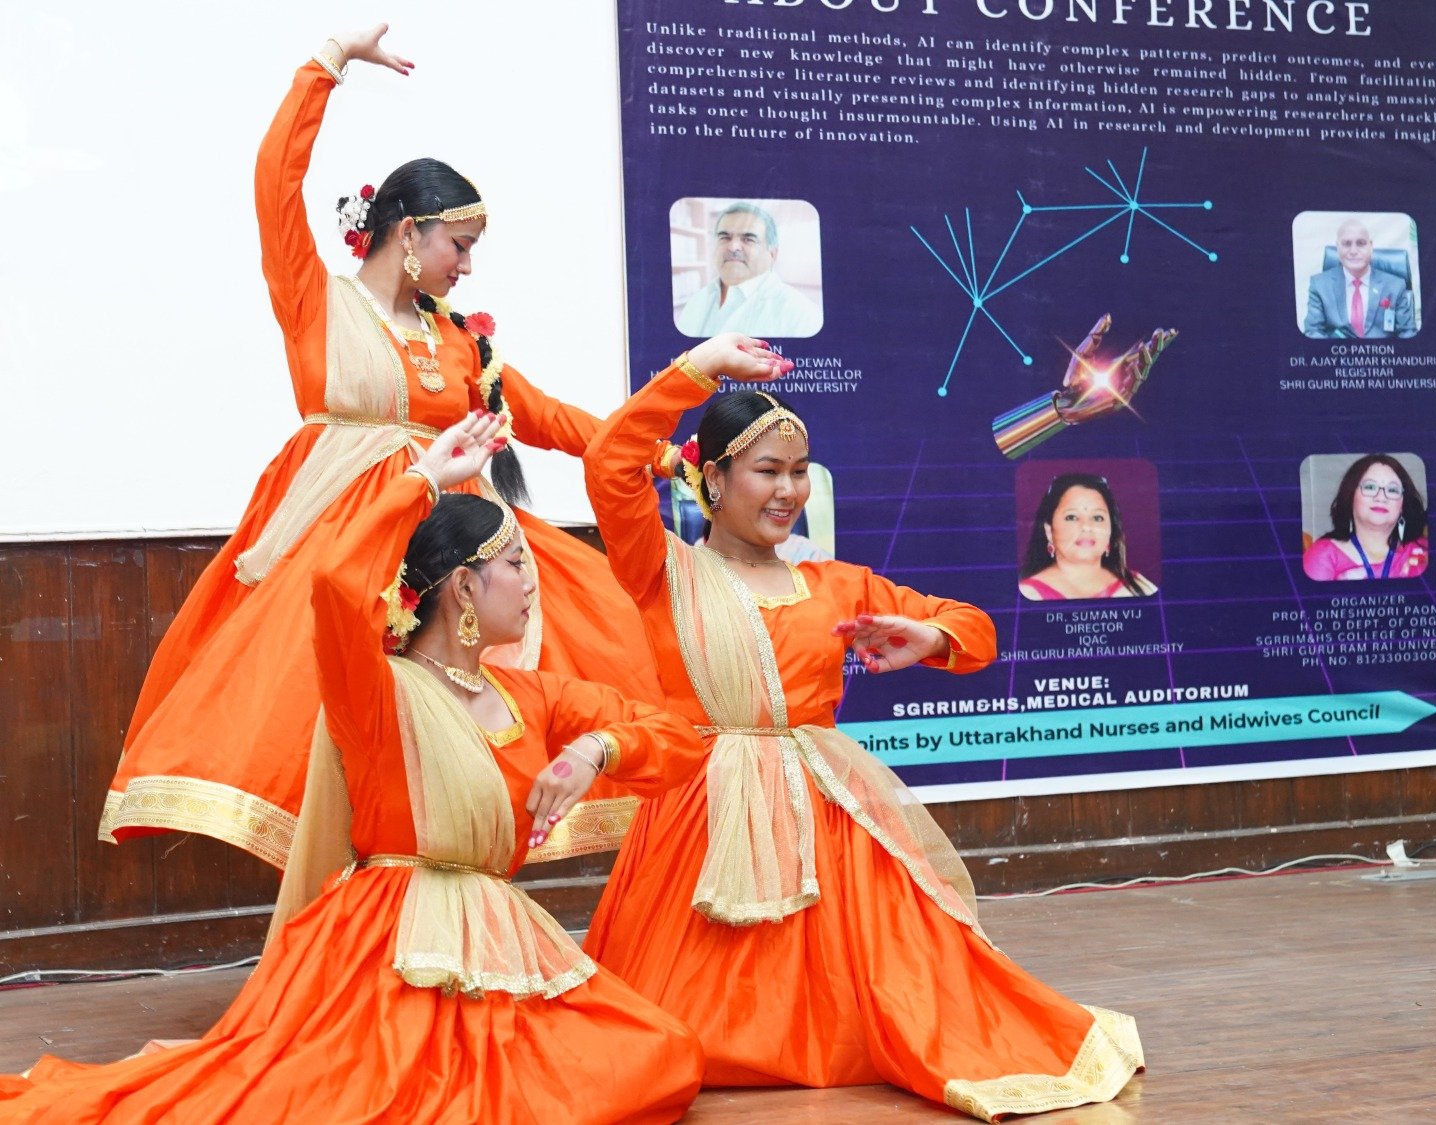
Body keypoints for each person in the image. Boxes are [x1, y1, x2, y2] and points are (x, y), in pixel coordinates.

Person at [0, 415, 704, 1123]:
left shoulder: (534, 695)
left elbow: (675, 737)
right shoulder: (374, 690)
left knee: (660, 1054)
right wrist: (422, 478)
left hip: (499, 935)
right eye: (517, 563)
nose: (532, 581)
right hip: (387, 943)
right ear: (464, 586)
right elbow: (335, 579)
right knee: (394, 1095)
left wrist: (593, 750)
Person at [101, 26, 658, 868]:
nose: (466, 266)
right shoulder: (319, 304)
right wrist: (327, 64)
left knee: (595, 619)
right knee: (332, 711)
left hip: (448, 543)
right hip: (347, 538)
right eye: (458, 246)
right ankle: (350, 892)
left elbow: (545, 417)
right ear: (407, 232)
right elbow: (274, 186)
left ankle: (442, 867)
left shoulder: (460, 339)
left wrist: (657, 450)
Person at [580, 335, 1144, 1120]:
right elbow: (609, 460)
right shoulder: (661, 569)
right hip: (700, 815)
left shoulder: (835, 582)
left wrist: (929, 636)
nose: (789, 490)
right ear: (713, 478)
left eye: (800, 471)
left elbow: (974, 627)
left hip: (825, 817)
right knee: (665, 1028)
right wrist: (698, 369)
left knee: (897, 997)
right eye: (768, 471)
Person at [674, 203, 823, 337]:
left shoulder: (803, 315)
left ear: (772, 254)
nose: (733, 247)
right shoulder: (698, 300)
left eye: (749, 239)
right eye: (724, 237)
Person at [1019, 474, 1157, 600]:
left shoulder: (1140, 587)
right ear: (1049, 531)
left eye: (1097, 518)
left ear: (1111, 530)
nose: (1086, 526)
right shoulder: (1028, 594)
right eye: (1072, 517)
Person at [1303, 454, 1429, 580]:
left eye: (1392, 490)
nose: (1381, 498)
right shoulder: (1323, 555)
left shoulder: (1423, 551)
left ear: (1402, 505)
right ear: (1350, 497)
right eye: (1370, 487)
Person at [1302, 218, 1417, 339]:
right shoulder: (1319, 285)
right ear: (1337, 247)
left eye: (1361, 243)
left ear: (1370, 246)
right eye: (1346, 244)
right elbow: (1313, 332)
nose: (1353, 251)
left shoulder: (1395, 286)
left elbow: (1407, 333)